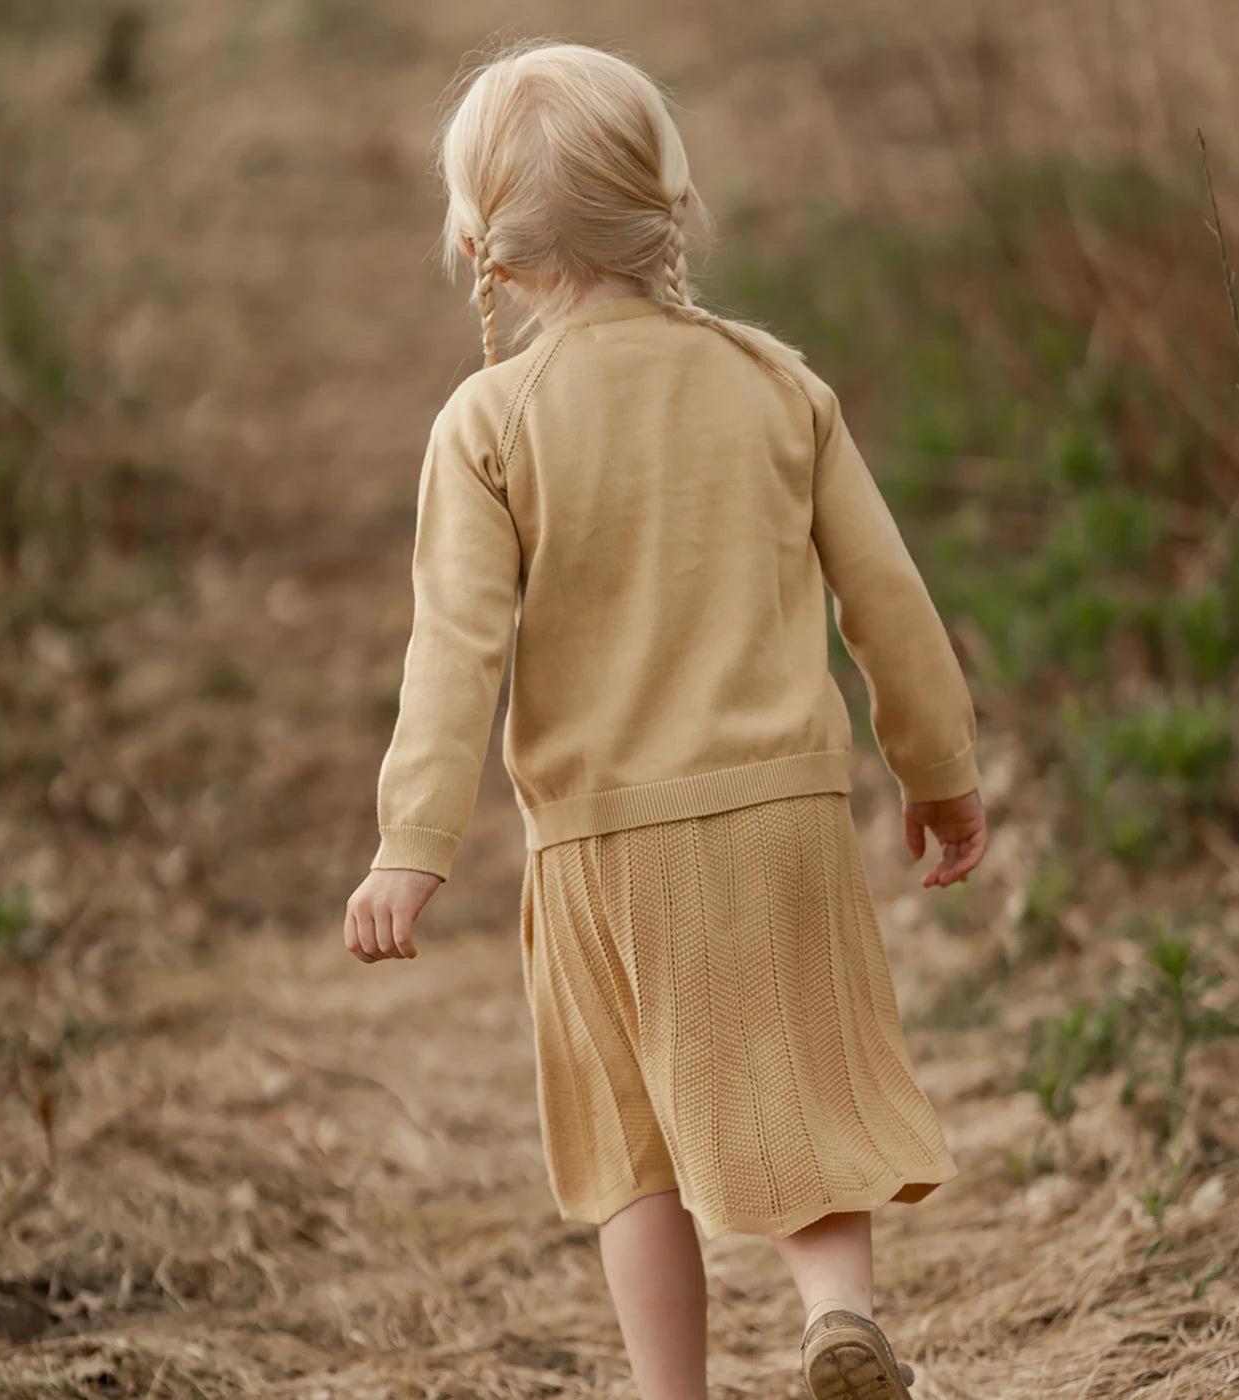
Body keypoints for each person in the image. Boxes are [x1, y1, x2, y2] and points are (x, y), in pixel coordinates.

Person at [343, 40, 988, 1400]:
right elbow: (886, 600)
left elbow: (455, 651)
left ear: (479, 247)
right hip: (781, 823)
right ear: (674, 206)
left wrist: (413, 844)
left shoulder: (490, 422)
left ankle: (669, 1393)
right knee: (804, 1092)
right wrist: (938, 772)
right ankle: (836, 1312)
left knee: (628, 1153)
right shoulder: (776, 384)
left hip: (601, 853)